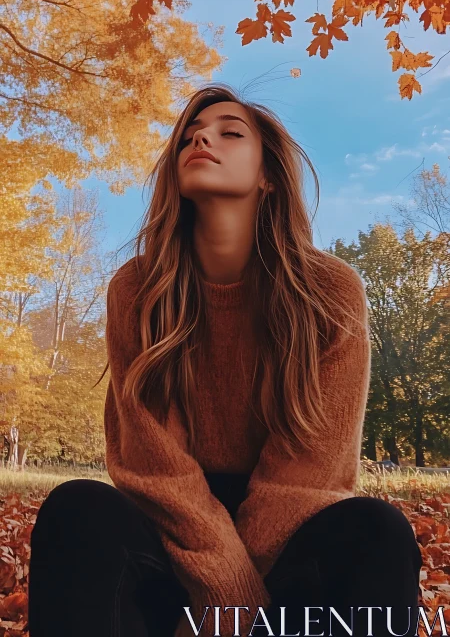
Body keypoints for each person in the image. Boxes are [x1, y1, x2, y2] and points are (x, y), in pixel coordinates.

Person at [28, 83, 422, 637]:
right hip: (170, 525)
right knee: (77, 510)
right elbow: (150, 462)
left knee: (379, 530)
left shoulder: (330, 292)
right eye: (190, 134)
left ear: (267, 175)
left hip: (287, 534)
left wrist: (238, 606)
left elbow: (312, 473)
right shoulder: (138, 289)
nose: (202, 137)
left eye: (229, 132)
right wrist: (222, 588)